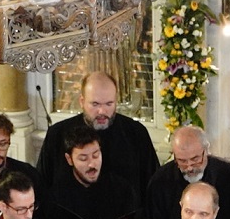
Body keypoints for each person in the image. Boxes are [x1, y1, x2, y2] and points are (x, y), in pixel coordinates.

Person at [37, 71, 159, 201]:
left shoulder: (136, 133)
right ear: (82, 101)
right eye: (95, 104)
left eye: (109, 104)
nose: (102, 111)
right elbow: (42, 187)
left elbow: (153, 187)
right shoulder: (58, 134)